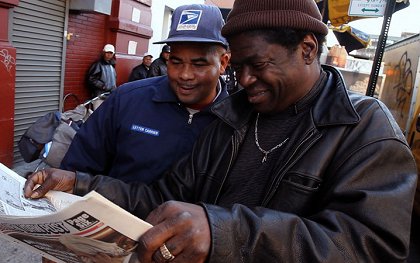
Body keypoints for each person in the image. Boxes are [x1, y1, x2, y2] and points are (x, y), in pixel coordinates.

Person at [25, 0, 418, 262]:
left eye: (258, 64)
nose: (245, 80)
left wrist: (227, 233)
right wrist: (78, 183)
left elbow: (373, 246)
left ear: (308, 49)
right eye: (238, 68)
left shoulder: (364, 128)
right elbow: (162, 197)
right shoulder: (233, 118)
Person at [59, 4, 230, 184]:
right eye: (176, 62)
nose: (185, 75)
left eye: (199, 64)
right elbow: (75, 171)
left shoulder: (237, 122)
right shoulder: (125, 100)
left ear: (223, 63)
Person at [87, 44, 117, 109]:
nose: (109, 55)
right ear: (103, 52)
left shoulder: (112, 65)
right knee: (98, 115)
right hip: (99, 96)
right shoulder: (98, 64)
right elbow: (91, 79)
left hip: (109, 95)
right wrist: (102, 86)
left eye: (111, 53)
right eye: (107, 52)